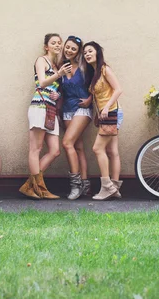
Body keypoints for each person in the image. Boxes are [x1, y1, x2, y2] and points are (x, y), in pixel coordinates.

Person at [19, 33, 72, 199]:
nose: (57, 45)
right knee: (36, 148)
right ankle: (40, 188)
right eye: (53, 43)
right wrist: (59, 74)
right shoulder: (41, 60)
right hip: (39, 108)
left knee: (55, 150)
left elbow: (52, 88)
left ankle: (30, 185)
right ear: (46, 46)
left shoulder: (57, 66)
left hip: (50, 110)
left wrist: (57, 95)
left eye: (59, 43)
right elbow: (41, 83)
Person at [83, 41, 124, 200]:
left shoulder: (104, 69)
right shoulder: (94, 73)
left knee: (97, 148)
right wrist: (90, 101)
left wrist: (106, 107)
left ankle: (107, 187)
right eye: (85, 52)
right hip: (109, 113)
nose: (87, 54)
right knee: (113, 151)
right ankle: (115, 188)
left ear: (97, 52)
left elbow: (118, 89)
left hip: (112, 112)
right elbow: (99, 93)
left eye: (90, 51)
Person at [60, 35, 93, 200]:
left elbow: (97, 81)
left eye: (73, 48)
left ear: (78, 51)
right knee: (77, 147)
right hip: (67, 109)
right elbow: (59, 90)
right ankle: (85, 183)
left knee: (66, 143)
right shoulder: (61, 68)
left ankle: (76, 185)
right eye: (68, 47)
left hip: (82, 108)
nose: (69, 50)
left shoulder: (84, 66)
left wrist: (90, 99)